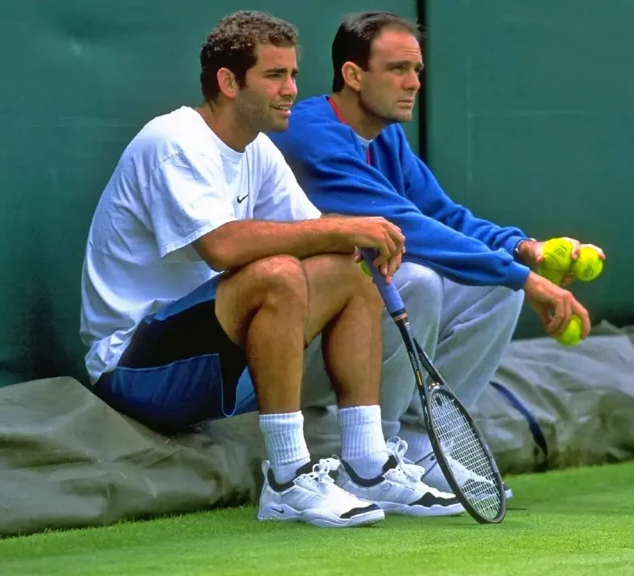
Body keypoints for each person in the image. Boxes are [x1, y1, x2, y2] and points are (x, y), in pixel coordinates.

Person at [79, 10, 463, 528]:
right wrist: (345, 228)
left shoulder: (256, 148)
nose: (290, 90)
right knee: (279, 271)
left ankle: (367, 464)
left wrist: (358, 237)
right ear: (228, 82)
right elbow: (222, 246)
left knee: (354, 266)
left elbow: (318, 236)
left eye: (293, 75)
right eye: (274, 76)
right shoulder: (173, 140)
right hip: (133, 369)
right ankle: (286, 479)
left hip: (212, 358)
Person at [268, 11, 605, 497]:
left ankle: (421, 449)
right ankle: (371, 459)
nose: (413, 83)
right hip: (281, 353)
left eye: (418, 70)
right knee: (415, 281)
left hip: (340, 344)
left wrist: (523, 248)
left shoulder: (386, 136)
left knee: (493, 288)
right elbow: (407, 228)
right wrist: (527, 281)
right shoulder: (309, 134)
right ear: (353, 74)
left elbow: (442, 214)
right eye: (398, 69)